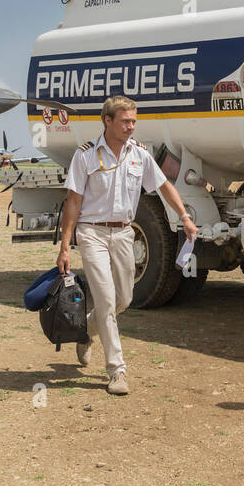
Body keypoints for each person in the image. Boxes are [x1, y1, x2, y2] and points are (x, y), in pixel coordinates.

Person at [57, 96, 198, 395]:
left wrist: (184, 216)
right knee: (106, 301)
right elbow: (73, 203)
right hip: (91, 234)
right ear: (107, 121)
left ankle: (86, 333)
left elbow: (163, 186)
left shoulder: (140, 155)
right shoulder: (85, 157)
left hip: (124, 234)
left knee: (124, 300)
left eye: (133, 121)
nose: (131, 127)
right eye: (125, 121)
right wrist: (66, 247)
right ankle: (117, 371)